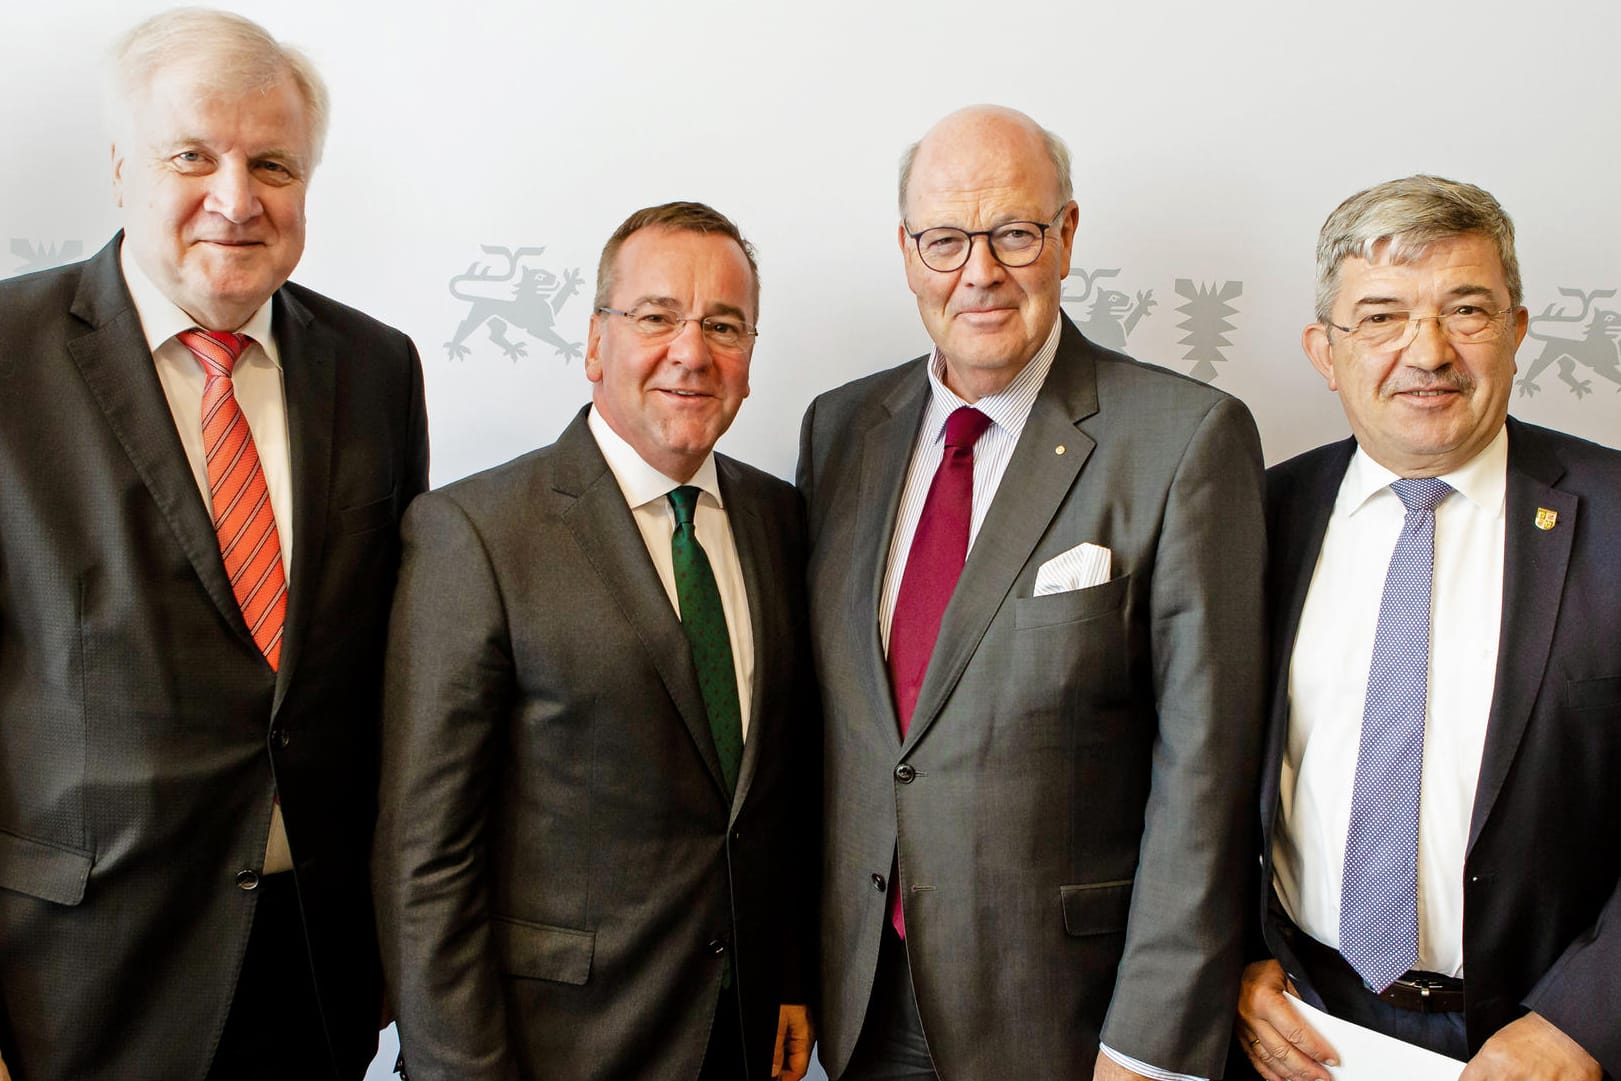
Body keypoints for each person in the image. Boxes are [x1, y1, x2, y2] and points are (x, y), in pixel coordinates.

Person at [0, 9, 429, 1081]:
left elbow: (385, 674)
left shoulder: (377, 370)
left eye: (272, 163)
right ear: (119, 170)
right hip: (72, 980)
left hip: (315, 972)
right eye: (192, 155)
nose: (236, 200)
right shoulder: (6, 357)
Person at [797, 105, 1267, 1080]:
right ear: (905, 250)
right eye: (944, 240)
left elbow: (1206, 770)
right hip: (862, 999)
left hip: (1067, 1018)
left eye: (1012, 233)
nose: (978, 272)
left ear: (1064, 236)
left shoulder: (1182, 440)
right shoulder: (840, 430)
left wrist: (1151, 1036)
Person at [374, 201, 815, 1081]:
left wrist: (796, 977)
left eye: (722, 325)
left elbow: (787, 792)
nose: (691, 351)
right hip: (553, 1044)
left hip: (741, 1031)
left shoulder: (783, 519)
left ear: (750, 358)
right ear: (593, 343)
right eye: (655, 316)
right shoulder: (476, 532)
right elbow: (424, 855)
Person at [1236, 175, 1619, 1081]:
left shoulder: (1611, 516)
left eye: (1467, 310)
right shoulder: (1255, 518)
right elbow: (1184, 775)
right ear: (1323, 351)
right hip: (1300, 1023)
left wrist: (1583, 1020)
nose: (1428, 350)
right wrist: (1228, 958)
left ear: (1518, 331)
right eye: (1379, 317)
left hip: (1539, 1038)